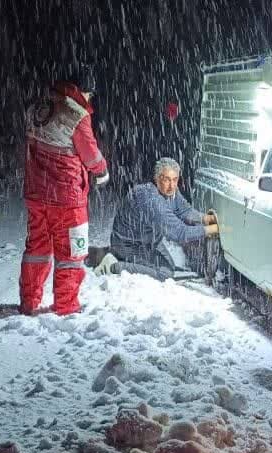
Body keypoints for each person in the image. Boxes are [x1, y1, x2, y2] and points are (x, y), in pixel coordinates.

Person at [19, 66, 109, 315]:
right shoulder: (77, 114)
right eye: (90, 95)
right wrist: (102, 170)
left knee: (36, 249)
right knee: (72, 252)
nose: (90, 100)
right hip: (67, 197)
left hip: (37, 192)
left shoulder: (41, 103)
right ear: (83, 91)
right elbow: (90, 155)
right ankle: (67, 306)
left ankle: (29, 301)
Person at [95, 157, 217, 280]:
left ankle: (127, 261)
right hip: (128, 245)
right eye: (167, 180)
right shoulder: (152, 201)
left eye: (175, 179)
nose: (172, 186)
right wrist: (214, 229)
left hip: (148, 240)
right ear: (157, 178)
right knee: (165, 274)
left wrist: (206, 219)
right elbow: (180, 233)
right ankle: (114, 266)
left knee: (170, 266)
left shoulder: (170, 191)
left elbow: (184, 210)